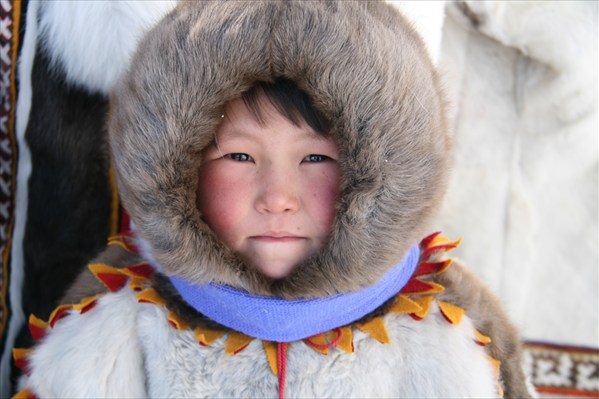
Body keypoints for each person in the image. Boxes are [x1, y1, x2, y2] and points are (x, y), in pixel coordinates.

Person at [14, 2, 534, 397]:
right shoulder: (117, 316)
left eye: (315, 159)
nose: (278, 198)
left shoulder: (442, 323)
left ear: (378, 169)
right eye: (239, 157)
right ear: (179, 170)